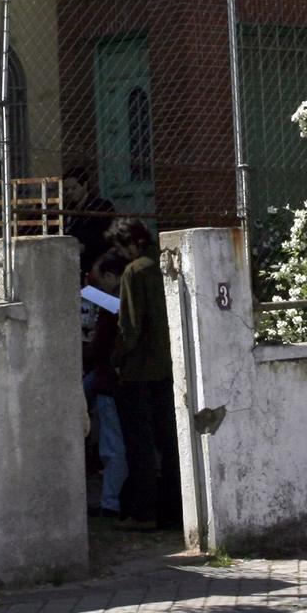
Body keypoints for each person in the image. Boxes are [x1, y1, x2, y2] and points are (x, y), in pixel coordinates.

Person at [106, 218, 180, 532]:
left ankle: (145, 512)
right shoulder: (167, 264)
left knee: (140, 445)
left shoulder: (134, 271)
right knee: (169, 443)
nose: (121, 254)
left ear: (131, 243)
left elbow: (130, 326)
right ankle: (175, 510)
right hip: (166, 368)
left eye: (121, 247)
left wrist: (116, 359)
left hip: (138, 372)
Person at [83, 252, 129, 521]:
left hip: (109, 382)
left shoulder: (113, 308)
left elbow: (100, 347)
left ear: (111, 277)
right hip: (117, 381)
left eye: (101, 280)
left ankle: (111, 503)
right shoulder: (124, 303)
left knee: (113, 446)